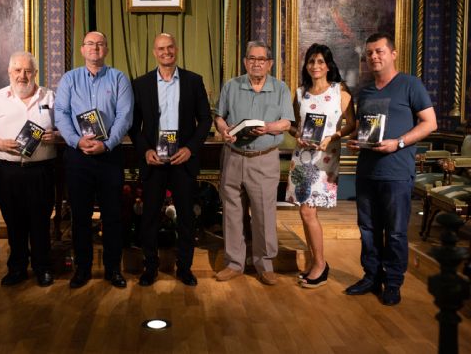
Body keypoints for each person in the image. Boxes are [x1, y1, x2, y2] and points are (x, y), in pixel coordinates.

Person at [346, 33, 437, 306]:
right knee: (368, 229)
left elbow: (430, 123)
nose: (374, 56)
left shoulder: (411, 85)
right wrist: (357, 143)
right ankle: (371, 276)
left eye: (379, 51)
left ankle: (393, 282)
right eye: (370, 53)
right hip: (366, 172)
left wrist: (397, 143)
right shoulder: (366, 91)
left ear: (393, 54)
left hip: (396, 172)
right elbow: (368, 131)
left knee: (396, 232)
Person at [129, 33, 212, 287]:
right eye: (161, 49)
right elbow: (133, 125)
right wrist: (145, 151)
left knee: (186, 217)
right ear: (155, 52)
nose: (166, 52)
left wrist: (190, 148)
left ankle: (184, 268)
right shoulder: (140, 84)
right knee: (150, 217)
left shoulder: (193, 81)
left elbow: (206, 119)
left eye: (170, 47)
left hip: (182, 160)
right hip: (154, 160)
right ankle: (150, 267)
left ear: (176, 49)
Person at [54, 31, 133, 289]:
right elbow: (61, 114)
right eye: (90, 44)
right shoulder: (69, 79)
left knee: (112, 216)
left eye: (100, 44)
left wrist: (107, 144)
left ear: (106, 50)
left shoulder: (118, 78)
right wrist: (77, 141)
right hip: (78, 156)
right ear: (82, 49)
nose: (95, 48)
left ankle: (113, 270)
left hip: (109, 155)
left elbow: (124, 115)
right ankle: (83, 269)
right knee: (80, 215)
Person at [214, 41, 295, 285]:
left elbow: (287, 123)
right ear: (245, 61)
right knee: (232, 213)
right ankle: (234, 263)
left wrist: (269, 127)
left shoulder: (280, 88)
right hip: (234, 157)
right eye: (251, 58)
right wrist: (224, 130)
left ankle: (265, 265)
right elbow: (219, 117)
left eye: (261, 59)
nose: (256, 63)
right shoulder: (232, 86)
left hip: (264, 159)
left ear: (269, 63)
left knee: (263, 215)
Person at [0, 51, 57, 287]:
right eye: (18, 70)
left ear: (35, 73)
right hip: (7, 171)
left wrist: (56, 135)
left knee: (41, 221)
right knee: (14, 222)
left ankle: (43, 268)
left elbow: (66, 130)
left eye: (28, 70)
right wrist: (0, 143)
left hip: (40, 170)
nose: (23, 75)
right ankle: (17, 268)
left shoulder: (50, 97)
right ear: (9, 72)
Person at [285, 43, 356, 288]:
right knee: (305, 213)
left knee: (307, 211)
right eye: (311, 62)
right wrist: (297, 135)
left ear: (328, 65)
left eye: (320, 62)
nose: (315, 66)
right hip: (302, 157)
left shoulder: (340, 91)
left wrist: (332, 137)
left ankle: (321, 265)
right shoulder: (300, 93)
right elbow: (294, 125)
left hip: (324, 158)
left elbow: (351, 125)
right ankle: (317, 263)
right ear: (306, 65)